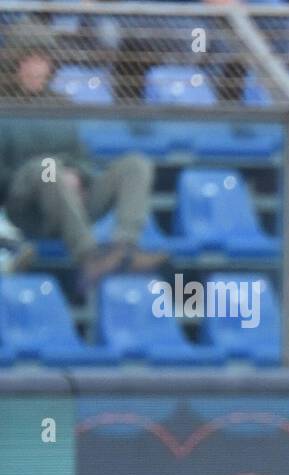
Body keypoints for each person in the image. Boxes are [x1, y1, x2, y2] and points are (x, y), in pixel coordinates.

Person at [0, 24, 165, 291]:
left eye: (44, 60)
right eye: (30, 59)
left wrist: (76, 175)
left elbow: (81, 159)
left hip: (72, 196)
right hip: (26, 210)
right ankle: (89, 257)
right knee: (48, 167)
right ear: (13, 62)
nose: (38, 68)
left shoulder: (60, 104)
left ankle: (124, 248)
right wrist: (47, 173)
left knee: (136, 164)